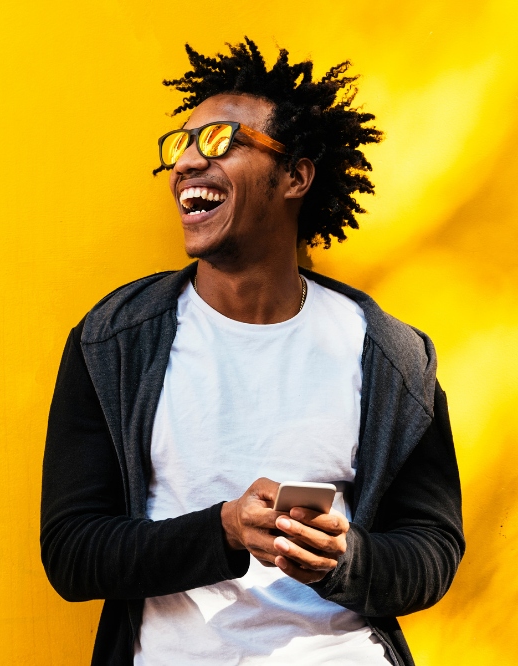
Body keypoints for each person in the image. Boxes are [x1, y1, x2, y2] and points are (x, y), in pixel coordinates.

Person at [40, 38, 464, 666]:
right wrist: (223, 531)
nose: (186, 162)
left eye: (218, 141)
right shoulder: (114, 342)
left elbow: (433, 550)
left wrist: (345, 561)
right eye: (180, 144)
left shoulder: (390, 357)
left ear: (295, 176)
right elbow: (73, 553)